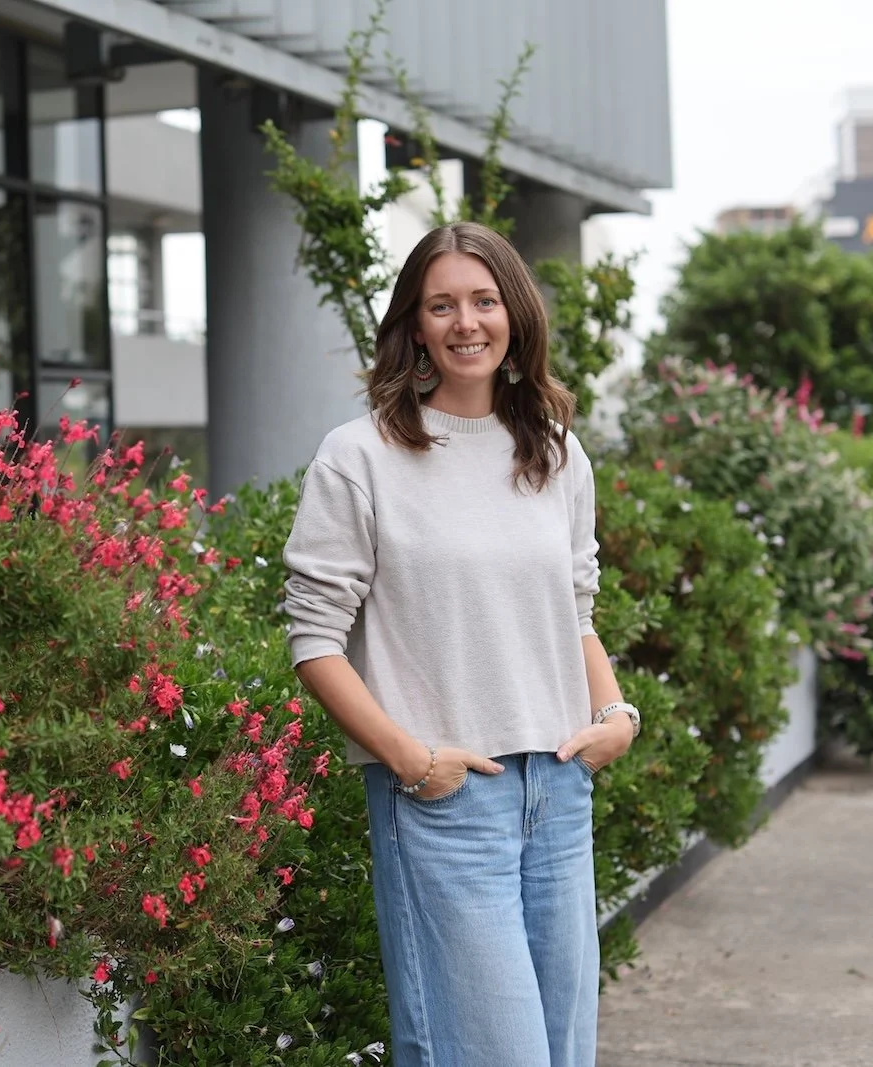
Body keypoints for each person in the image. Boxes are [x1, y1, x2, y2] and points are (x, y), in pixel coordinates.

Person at [282, 221, 639, 1067]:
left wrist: (616, 712)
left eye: (483, 300)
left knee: (560, 1052)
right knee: (486, 1053)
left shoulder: (555, 453)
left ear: (514, 314)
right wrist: (411, 761)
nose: (466, 322)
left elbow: (575, 609)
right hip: (445, 797)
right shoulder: (358, 457)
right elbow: (315, 641)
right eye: (441, 305)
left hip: (557, 789)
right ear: (414, 325)